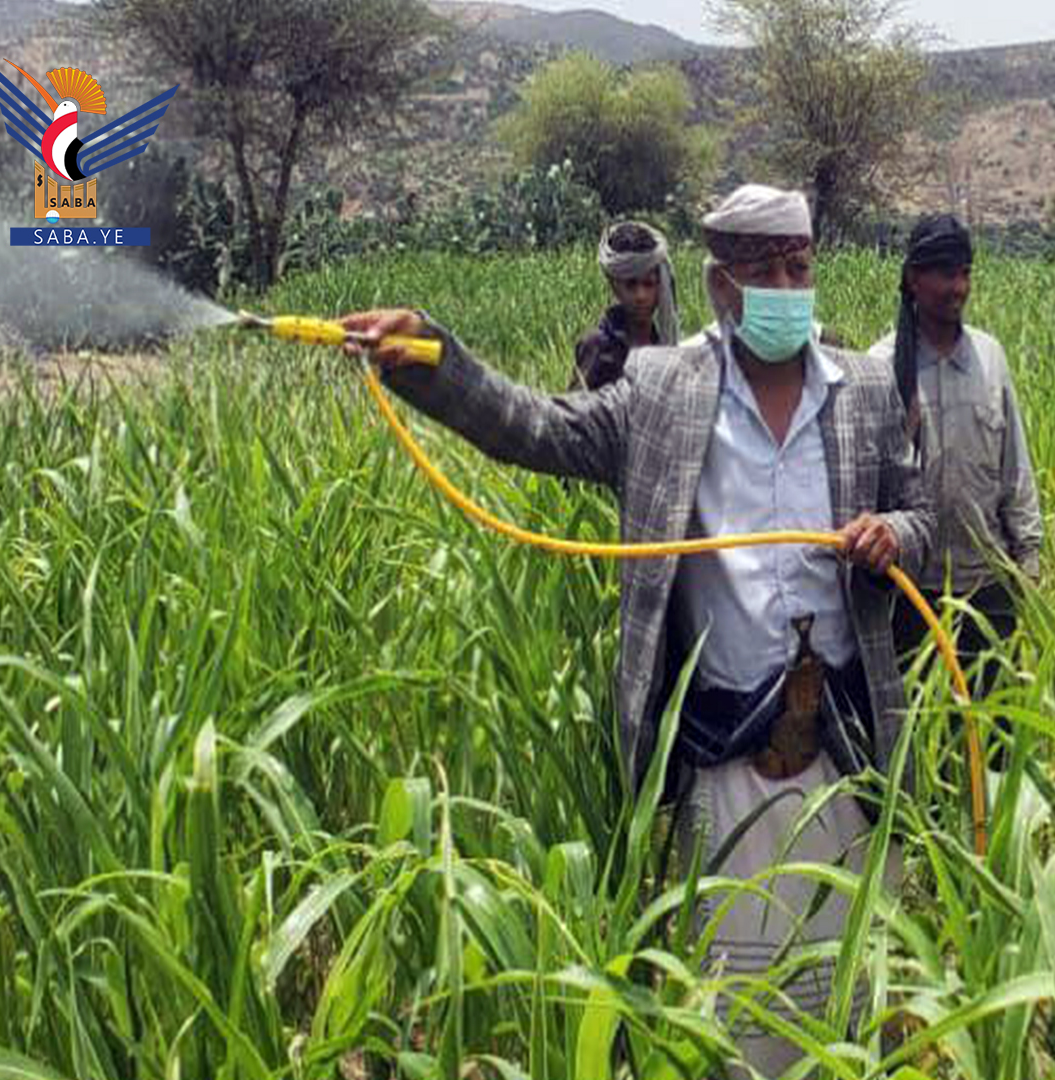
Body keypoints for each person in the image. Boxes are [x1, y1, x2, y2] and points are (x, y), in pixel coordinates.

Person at [339, 184, 932, 1074]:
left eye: (798, 266)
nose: (786, 285)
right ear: (720, 285)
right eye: (763, 270)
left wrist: (897, 537)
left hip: (844, 745)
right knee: (737, 997)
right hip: (725, 747)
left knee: (848, 984)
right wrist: (431, 361)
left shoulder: (869, 390)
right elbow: (536, 427)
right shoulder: (661, 390)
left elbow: (923, 511)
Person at [869, 214, 1043, 694]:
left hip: (987, 589)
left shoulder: (990, 358)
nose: (958, 286)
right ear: (913, 279)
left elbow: (1015, 470)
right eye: (946, 273)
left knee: (994, 744)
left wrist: (1029, 560)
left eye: (965, 272)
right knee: (922, 738)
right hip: (912, 597)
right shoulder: (880, 367)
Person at [571, 220, 680, 390]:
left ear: (660, 286)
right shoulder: (598, 346)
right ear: (614, 285)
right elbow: (577, 409)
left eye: (649, 284)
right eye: (631, 285)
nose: (641, 296)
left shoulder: (664, 345)